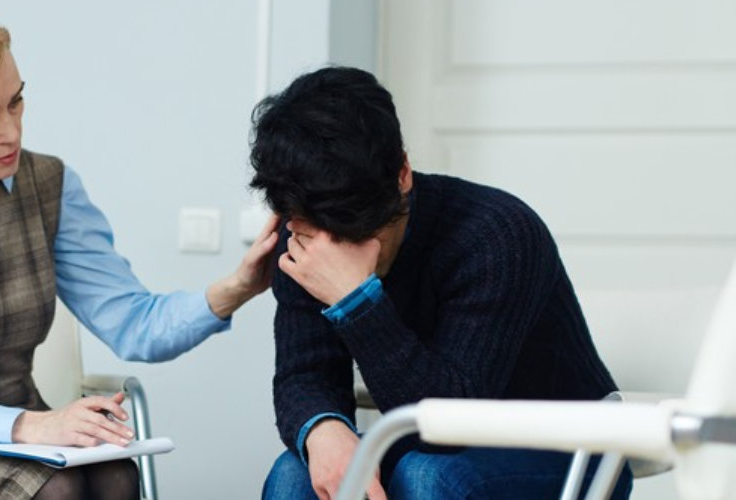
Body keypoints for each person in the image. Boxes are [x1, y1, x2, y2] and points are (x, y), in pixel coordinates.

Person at [0, 8, 279, 500]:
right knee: (56, 491)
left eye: (16, 103)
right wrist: (28, 426)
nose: (11, 132)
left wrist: (237, 287)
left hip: (22, 422)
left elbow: (133, 323)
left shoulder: (50, 186)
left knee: (116, 476)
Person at [252, 67, 633, 500]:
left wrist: (355, 300)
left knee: (427, 476)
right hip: (426, 448)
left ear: (402, 176)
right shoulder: (301, 236)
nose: (332, 252)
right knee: (294, 473)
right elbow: (303, 374)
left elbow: (449, 425)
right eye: (311, 231)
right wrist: (324, 429)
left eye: (355, 233)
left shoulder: (498, 234)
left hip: (571, 450)